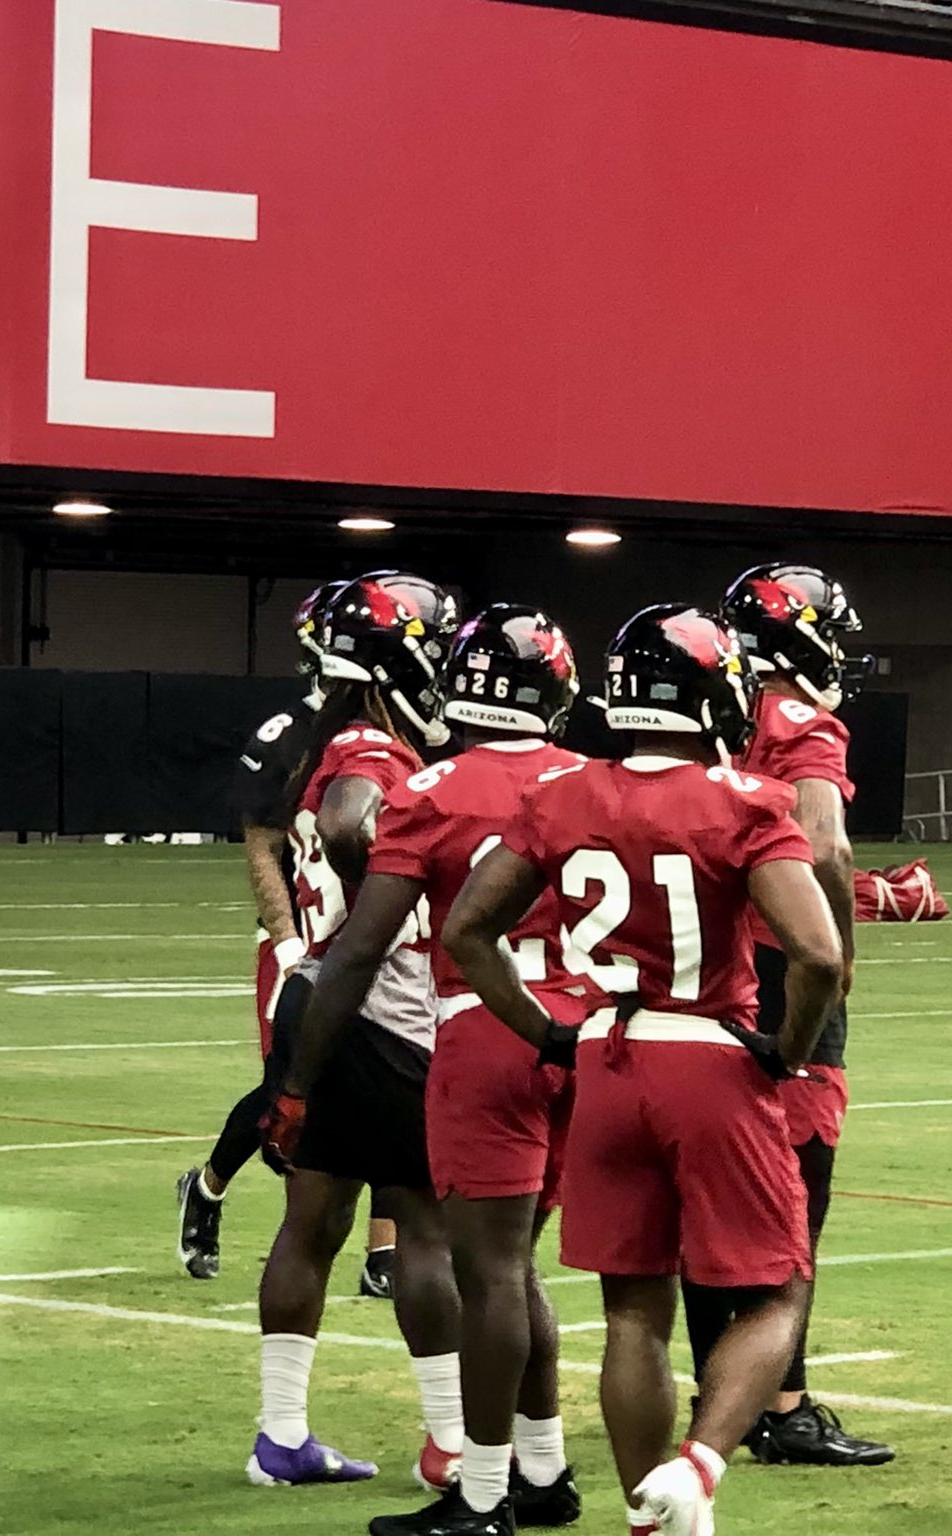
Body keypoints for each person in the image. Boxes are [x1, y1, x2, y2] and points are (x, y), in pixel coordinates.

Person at [445, 605, 844, 1536]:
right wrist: (787, 1053)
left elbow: (469, 929)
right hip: (706, 1055)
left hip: (602, 1061)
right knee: (781, 1286)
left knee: (633, 1312)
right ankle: (697, 1470)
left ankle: (644, 1518)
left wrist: (545, 1032)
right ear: (717, 692)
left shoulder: (564, 794)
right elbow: (819, 955)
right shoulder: (744, 800)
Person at [289, 605, 589, 1536]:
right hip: (591, 1039)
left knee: (489, 1272)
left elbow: (358, 952)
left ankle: (485, 1493)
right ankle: (544, 1473)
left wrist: (298, 1084)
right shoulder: (594, 781)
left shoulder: (436, 787)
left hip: (486, 1030)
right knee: (521, 1269)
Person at [247, 571, 466, 1491]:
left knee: (315, 1219)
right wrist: (396, 895)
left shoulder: (326, 738)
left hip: (315, 993)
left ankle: (281, 1435)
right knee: (422, 1225)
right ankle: (451, 1440)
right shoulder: (375, 746)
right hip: (379, 1004)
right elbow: (347, 826)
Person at [678, 563, 890, 1467]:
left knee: (702, 1191)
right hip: (772, 969)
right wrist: (836, 944)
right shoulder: (797, 721)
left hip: (689, 967)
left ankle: (714, 1392)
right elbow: (824, 839)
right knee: (796, 1194)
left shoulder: (699, 708)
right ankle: (782, 1404)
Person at [176, 580, 399, 1298]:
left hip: (382, 947)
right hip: (309, 938)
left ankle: (383, 1251)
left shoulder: (398, 734)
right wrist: (285, 941)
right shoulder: (293, 733)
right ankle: (207, 1186)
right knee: (289, 1096)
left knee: (398, 1087)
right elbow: (260, 843)